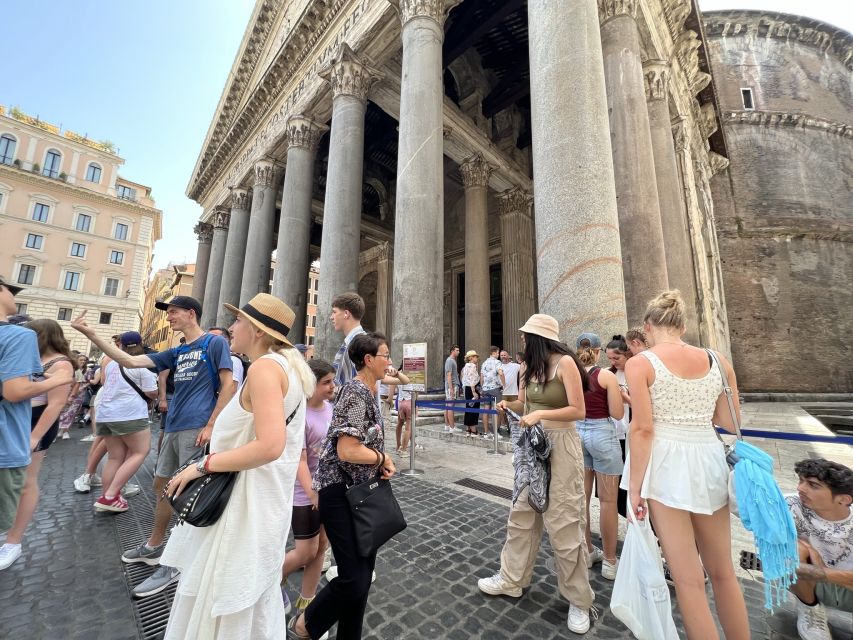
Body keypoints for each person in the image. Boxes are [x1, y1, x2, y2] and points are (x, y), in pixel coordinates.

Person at [162, 293, 314, 639]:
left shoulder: (264, 368)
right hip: (264, 502)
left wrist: (203, 465)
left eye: (239, 321)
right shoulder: (288, 367)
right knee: (250, 598)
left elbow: (271, 445)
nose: (232, 327)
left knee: (223, 595)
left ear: (258, 331)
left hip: (241, 505)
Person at [71, 295, 236, 598]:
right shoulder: (178, 350)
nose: (170, 317)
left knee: (187, 493)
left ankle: (178, 561)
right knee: (162, 485)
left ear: (191, 313)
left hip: (197, 427)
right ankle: (155, 545)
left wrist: (212, 423)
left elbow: (230, 384)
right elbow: (129, 360)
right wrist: (90, 333)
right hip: (173, 425)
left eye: (173, 312)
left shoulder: (213, 344)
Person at [622, 290, 749, 639]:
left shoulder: (641, 363)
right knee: (723, 572)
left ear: (648, 327)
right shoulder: (718, 360)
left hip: (667, 462)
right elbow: (729, 418)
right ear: (683, 324)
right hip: (708, 457)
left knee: (689, 580)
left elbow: (643, 428)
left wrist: (635, 489)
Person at [479, 314, 596, 634]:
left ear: (538, 338)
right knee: (521, 514)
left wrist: (541, 412)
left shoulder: (566, 364)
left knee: (565, 521)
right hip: (533, 446)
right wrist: (507, 405)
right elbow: (523, 405)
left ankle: (579, 599)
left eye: (525, 336)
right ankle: (512, 578)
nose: (521, 340)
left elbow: (578, 410)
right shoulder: (529, 369)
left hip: (562, 444)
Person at [288, 333, 397, 640]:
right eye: (386, 355)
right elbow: (347, 450)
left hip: (360, 491)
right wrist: (382, 457)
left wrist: (377, 463)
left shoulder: (370, 390)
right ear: (369, 360)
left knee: (361, 576)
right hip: (340, 493)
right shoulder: (355, 392)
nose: (390, 361)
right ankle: (306, 624)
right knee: (354, 578)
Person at [0, 318, 75, 570]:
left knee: (26, 482)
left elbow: (55, 404)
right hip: (18, 420)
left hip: (35, 423)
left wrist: (35, 436)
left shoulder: (61, 363)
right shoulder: (36, 360)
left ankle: (13, 541)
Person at [281, 359, 335, 618]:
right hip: (305, 493)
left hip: (327, 489)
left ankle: (307, 603)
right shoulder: (299, 415)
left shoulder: (330, 409)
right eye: (327, 383)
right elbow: (300, 461)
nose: (332, 387)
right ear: (310, 385)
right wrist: (313, 492)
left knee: (321, 546)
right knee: (305, 552)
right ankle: (272, 581)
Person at [574, 332, 624, 581]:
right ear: (597, 351)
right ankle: (610, 561)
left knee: (582, 498)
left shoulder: (571, 375)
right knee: (607, 502)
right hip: (602, 434)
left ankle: (586, 551)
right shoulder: (605, 375)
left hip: (577, 432)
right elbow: (616, 413)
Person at [91, 331, 158, 513]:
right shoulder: (141, 365)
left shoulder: (111, 363)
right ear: (140, 343)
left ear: (120, 345)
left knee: (114, 457)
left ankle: (108, 496)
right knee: (140, 452)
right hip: (129, 414)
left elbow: (104, 382)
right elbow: (151, 392)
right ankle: (111, 495)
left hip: (106, 413)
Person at [786, 458, 853, 640]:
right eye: (801, 481)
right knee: (791, 549)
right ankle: (810, 608)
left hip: (847, 589)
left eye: (813, 485)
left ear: (843, 499)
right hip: (811, 584)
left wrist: (822, 572)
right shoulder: (790, 505)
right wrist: (805, 547)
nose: (801, 488)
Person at [604, 335, 632, 518]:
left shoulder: (635, 372)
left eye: (617, 358)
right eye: (610, 359)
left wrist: (625, 397)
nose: (614, 362)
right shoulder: (610, 373)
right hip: (613, 430)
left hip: (630, 430)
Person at [330, 292, 366, 390]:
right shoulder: (356, 341)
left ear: (346, 314)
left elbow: (363, 383)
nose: (331, 317)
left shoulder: (359, 343)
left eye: (334, 312)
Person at [57, 353, 89, 439]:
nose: (83, 361)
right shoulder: (70, 369)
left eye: (84, 360)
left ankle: (65, 431)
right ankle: (59, 430)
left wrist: (82, 387)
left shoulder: (86, 370)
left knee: (71, 413)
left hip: (78, 395)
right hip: (66, 393)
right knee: (61, 412)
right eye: (81, 360)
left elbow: (86, 382)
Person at [480, 346, 505, 438]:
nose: (498, 355)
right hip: (495, 388)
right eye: (498, 353)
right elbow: (501, 373)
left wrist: (482, 388)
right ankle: (495, 433)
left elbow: (481, 377)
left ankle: (486, 432)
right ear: (494, 353)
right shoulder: (497, 362)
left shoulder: (484, 363)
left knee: (486, 410)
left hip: (486, 389)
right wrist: (504, 384)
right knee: (498, 410)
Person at [460, 350, 481, 437]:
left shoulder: (465, 367)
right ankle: (473, 430)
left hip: (467, 388)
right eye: (475, 356)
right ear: (471, 358)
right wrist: (474, 392)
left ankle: (468, 429)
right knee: (474, 408)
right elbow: (472, 379)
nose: (477, 358)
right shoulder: (472, 366)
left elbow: (462, 378)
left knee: (468, 407)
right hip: (472, 388)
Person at [500, 350, 521, 434]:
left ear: (508, 356)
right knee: (503, 411)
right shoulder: (498, 366)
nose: (503, 356)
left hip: (513, 392)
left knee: (514, 411)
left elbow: (525, 367)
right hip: (503, 393)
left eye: (505, 355)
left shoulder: (515, 366)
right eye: (501, 355)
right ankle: (507, 427)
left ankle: (515, 428)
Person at [444, 345, 461, 432]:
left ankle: (448, 425)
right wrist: (451, 388)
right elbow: (449, 375)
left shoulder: (451, 360)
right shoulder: (450, 360)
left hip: (452, 385)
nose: (458, 352)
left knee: (448, 405)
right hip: (452, 385)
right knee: (450, 405)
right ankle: (452, 427)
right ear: (452, 351)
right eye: (457, 350)